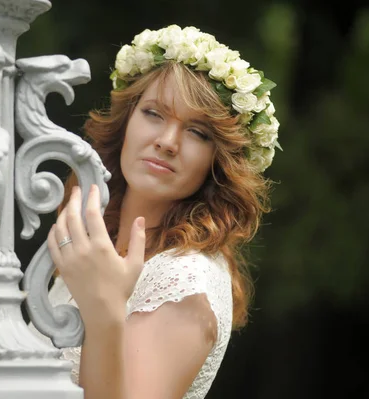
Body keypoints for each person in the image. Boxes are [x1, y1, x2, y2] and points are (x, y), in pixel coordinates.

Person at [44, 24, 280, 399]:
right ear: (126, 121)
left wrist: (103, 312)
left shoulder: (184, 282)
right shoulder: (97, 243)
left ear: (218, 162)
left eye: (198, 132)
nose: (167, 142)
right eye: (154, 113)